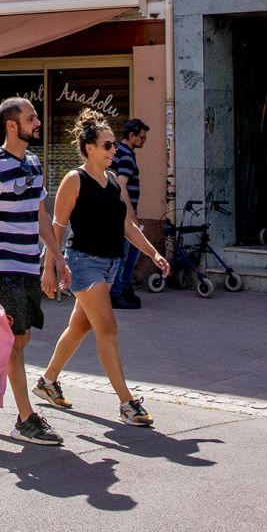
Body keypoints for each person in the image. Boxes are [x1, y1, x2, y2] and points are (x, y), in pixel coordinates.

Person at [33, 121, 170, 426]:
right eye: (108, 145)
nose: (114, 150)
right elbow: (57, 226)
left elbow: (128, 226)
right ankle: (127, 402)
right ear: (90, 148)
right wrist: (50, 268)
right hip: (84, 262)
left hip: (111, 264)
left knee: (80, 327)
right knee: (107, 331)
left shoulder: (111, 180)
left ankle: (47, 381)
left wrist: (154, 253)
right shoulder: (75, 179)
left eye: (115, 145)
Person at [0, 97, 70, 446]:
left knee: (18, 339)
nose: (37, 123)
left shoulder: (33, 163)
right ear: (11, 125)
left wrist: (57, 257)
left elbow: (41, 214)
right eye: (31, 118)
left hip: (28, 265)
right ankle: (26, 418)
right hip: (3, 267)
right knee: (16, 342)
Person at [108, 118, 147, 308]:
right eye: (141, 137)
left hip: (118, 212)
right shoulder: (125, 155)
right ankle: (117, 293)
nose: (143, 140)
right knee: (124, 254)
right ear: (131, 135)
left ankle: (124, 288)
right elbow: (122, 186)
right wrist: (131, 216)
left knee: (129, 252)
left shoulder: (121, 152)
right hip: (122, 213)